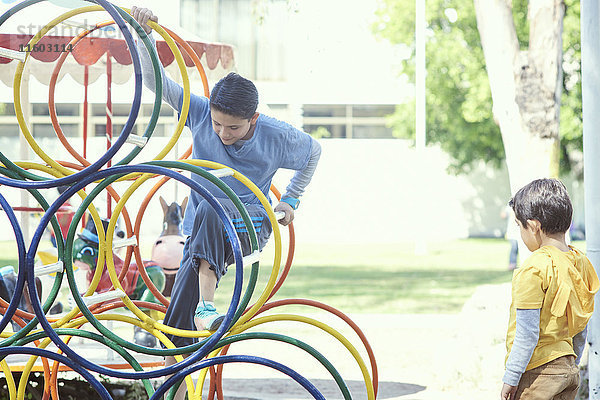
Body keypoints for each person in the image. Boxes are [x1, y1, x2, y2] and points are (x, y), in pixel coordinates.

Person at [131, 6, 321, 397]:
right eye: (217, 124)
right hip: (203, 231)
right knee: (179, 307)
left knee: (211, 209)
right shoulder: (199, 113)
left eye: (233, 127)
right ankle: (177, 373)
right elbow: (155, 81)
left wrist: (291, 201)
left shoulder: (277, 136)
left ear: (253, 118)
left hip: (247, 228)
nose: (222, 133)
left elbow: (314, 153)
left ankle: (203, 311)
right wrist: (144, 35)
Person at [501, 178, 599, 400]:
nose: (521, 234)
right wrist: (571, 362)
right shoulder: (580, 262)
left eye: (520, 226)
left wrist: (511, 376)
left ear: (534, 226)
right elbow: (581, 323)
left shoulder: (534, 268)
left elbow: (527, 334)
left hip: (537, 373)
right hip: (568, 369)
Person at [501, 205, 519, 270]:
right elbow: (503, 215)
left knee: (519, 248)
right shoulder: (510, 206)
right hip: (512, 232)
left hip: (520, 232)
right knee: (514, 247)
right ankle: (512, 263)